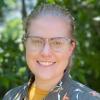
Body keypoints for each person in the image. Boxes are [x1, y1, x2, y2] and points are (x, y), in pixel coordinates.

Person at [3, 3, 100, 100]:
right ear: (25, 44)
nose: (45, 52)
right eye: (37, 41)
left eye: (57, 43)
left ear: (70, 48)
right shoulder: (11, 96)